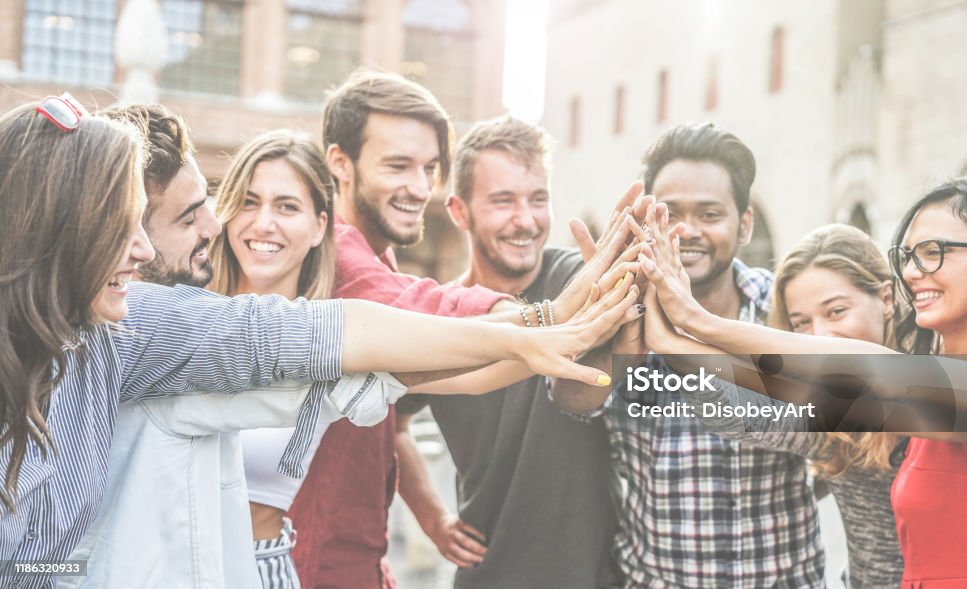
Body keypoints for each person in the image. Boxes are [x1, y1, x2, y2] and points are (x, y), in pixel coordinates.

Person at [0, 97, 632, 588]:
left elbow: (367, 343)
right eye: (126, 224)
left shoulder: (138, 332)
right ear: (56, 228)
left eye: (287, 206)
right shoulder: (147, 321)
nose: (227, 224)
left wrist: (540, 322)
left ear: (320, 228)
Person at [288, 70, 639, 588]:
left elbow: (493, 378)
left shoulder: (569, 275)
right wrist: (552, 319)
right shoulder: (347, 268)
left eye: (429, 167)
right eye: (398, 165)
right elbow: (435, 320)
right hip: (328, 567)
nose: (418, 185)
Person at [640, 174, 967, 587]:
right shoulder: (915, 405)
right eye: (909, 256)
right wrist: (670, 338)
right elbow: (757, 401)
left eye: (935, 252)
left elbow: (871, 372)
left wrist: (697, 321)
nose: (914, 271)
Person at [552, 122, 826, 587]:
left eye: (710, 214)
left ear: (744, 225)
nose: (688, 231)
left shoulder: (783, 312)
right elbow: (570, 400)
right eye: (670, 213)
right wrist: (614, 342)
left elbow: (833, 426)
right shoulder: (617, 306)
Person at [394, 116, 625, 587]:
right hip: (489, 573)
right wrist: (432, 516)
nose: (526, 220)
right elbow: (388, 424)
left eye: (538, 199)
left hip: (599, 575)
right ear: (459, 212)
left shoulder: (580, 281)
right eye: (503, 201)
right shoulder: (437, 319)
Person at [647, 223, 906, 588]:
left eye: (835, 312)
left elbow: (889, 378)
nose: (819, 337)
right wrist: (673, 343)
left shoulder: (951, 386)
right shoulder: (832, 411)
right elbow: (736, 413)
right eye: (801, 324)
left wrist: (696, 322)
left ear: (888, 299)